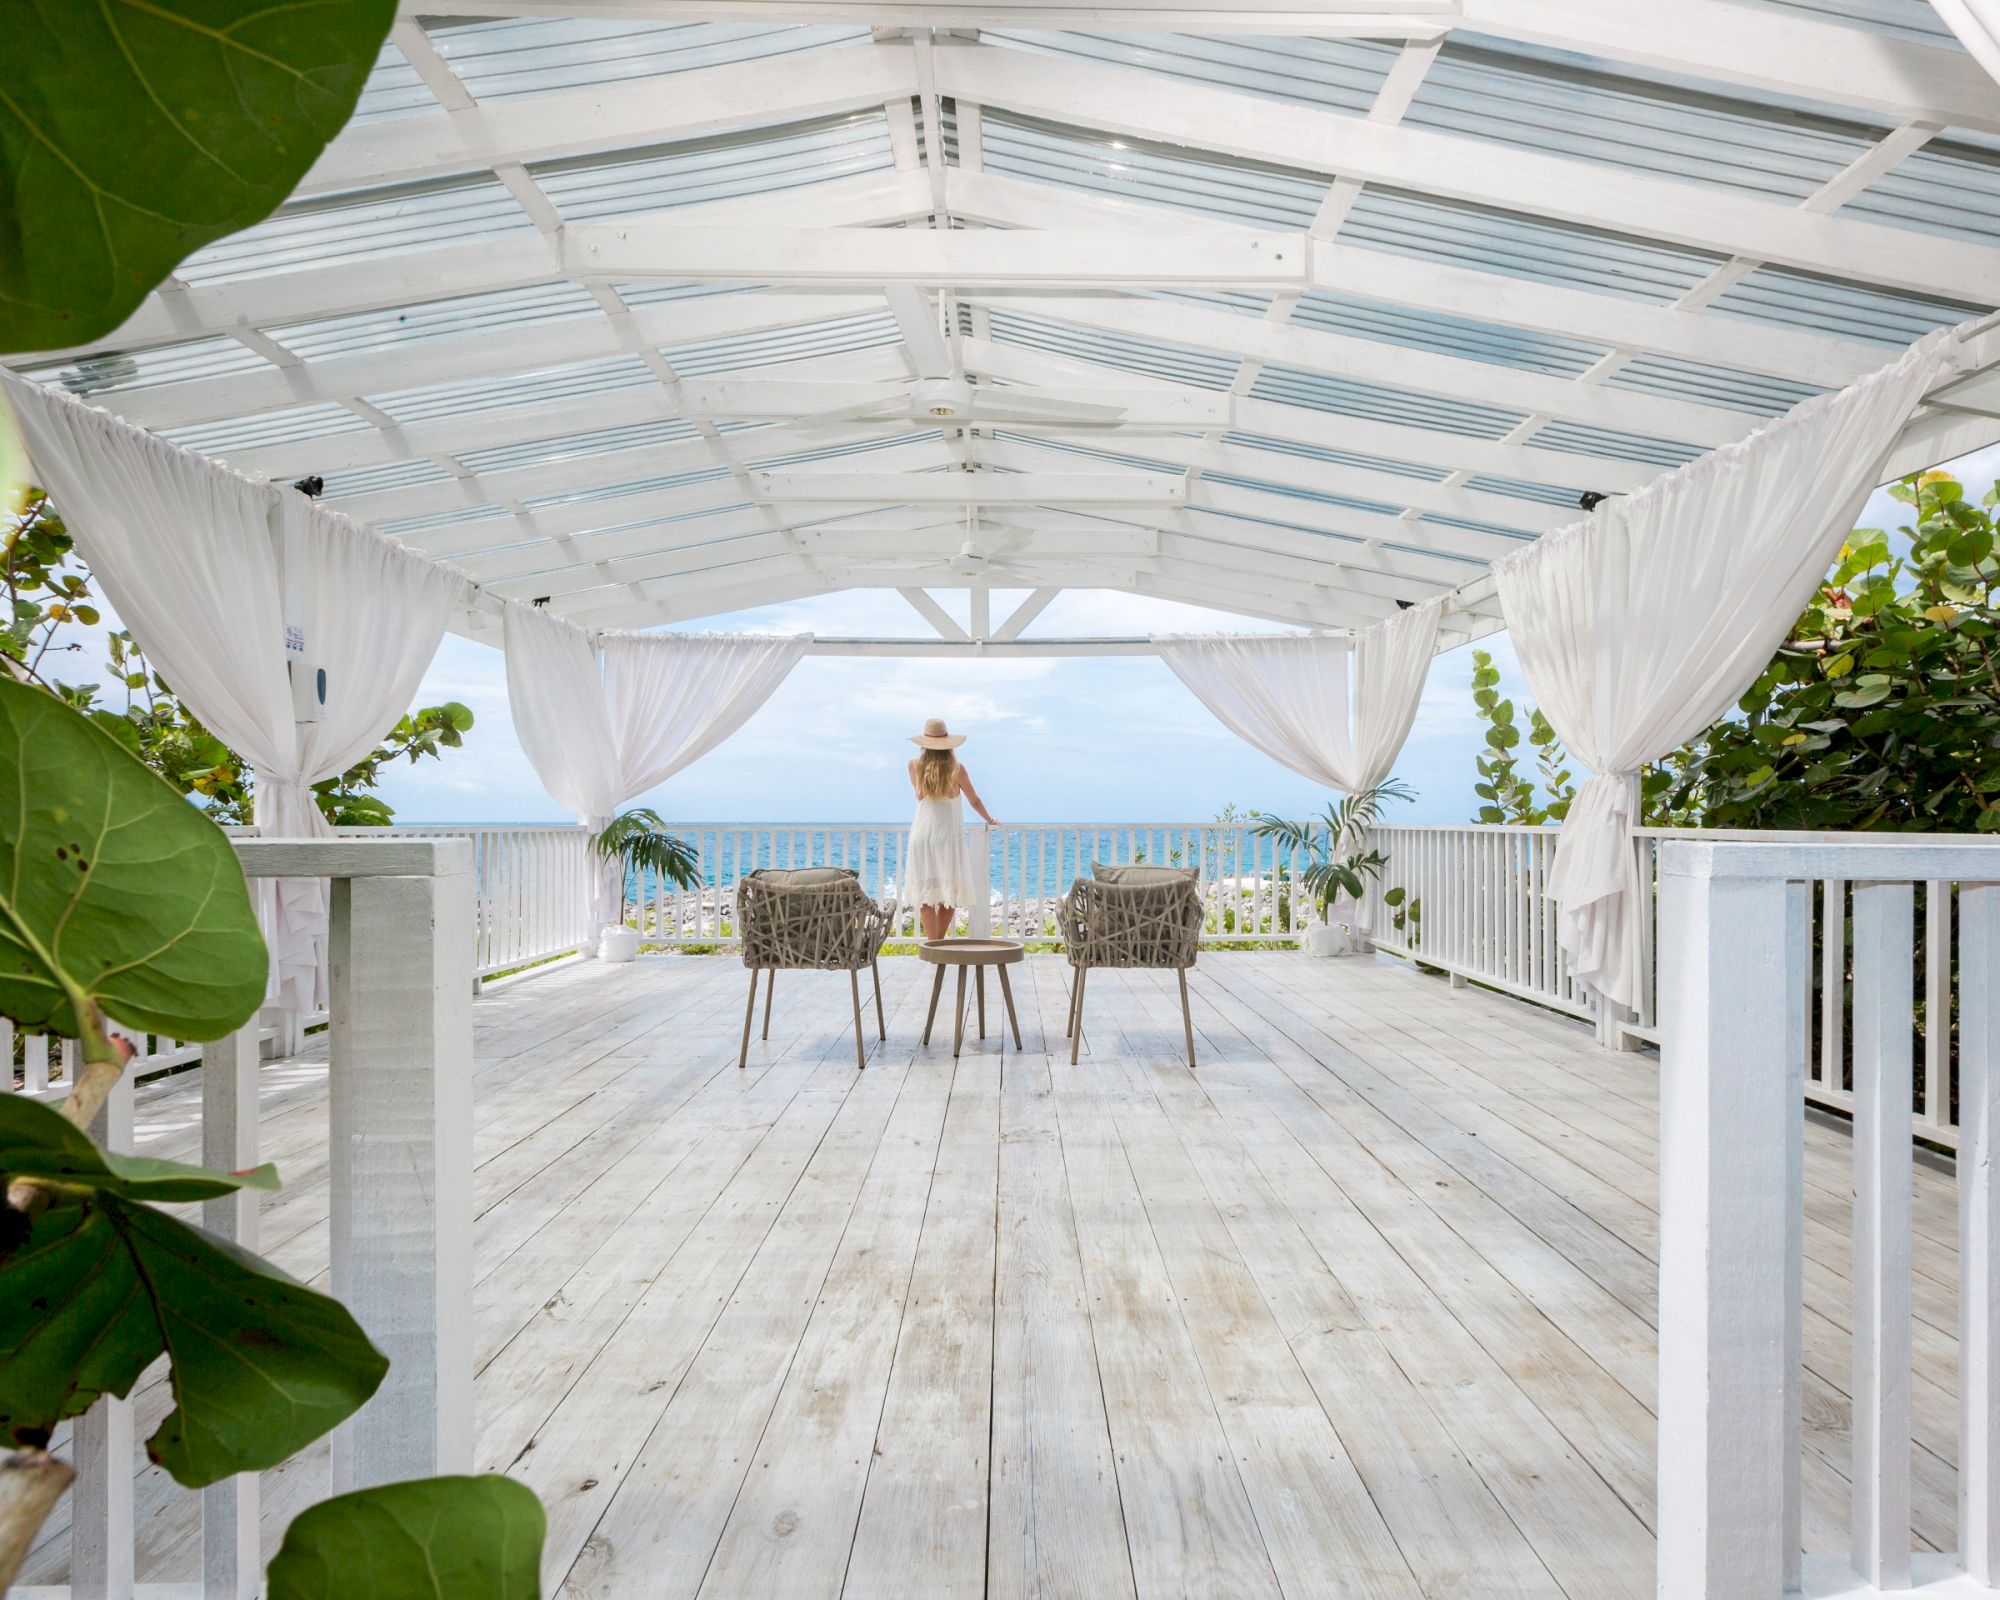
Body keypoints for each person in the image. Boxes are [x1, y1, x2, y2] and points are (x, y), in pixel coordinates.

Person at [904, 717, 998, 942]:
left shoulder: (914, 765)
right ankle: (937, 944)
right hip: (947, 838)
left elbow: (919, 795)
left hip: (921, 837)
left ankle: (933, 945)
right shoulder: (957, 769)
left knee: (925, 895)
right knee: (951, 894)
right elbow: (974, 800)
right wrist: (990, 818)